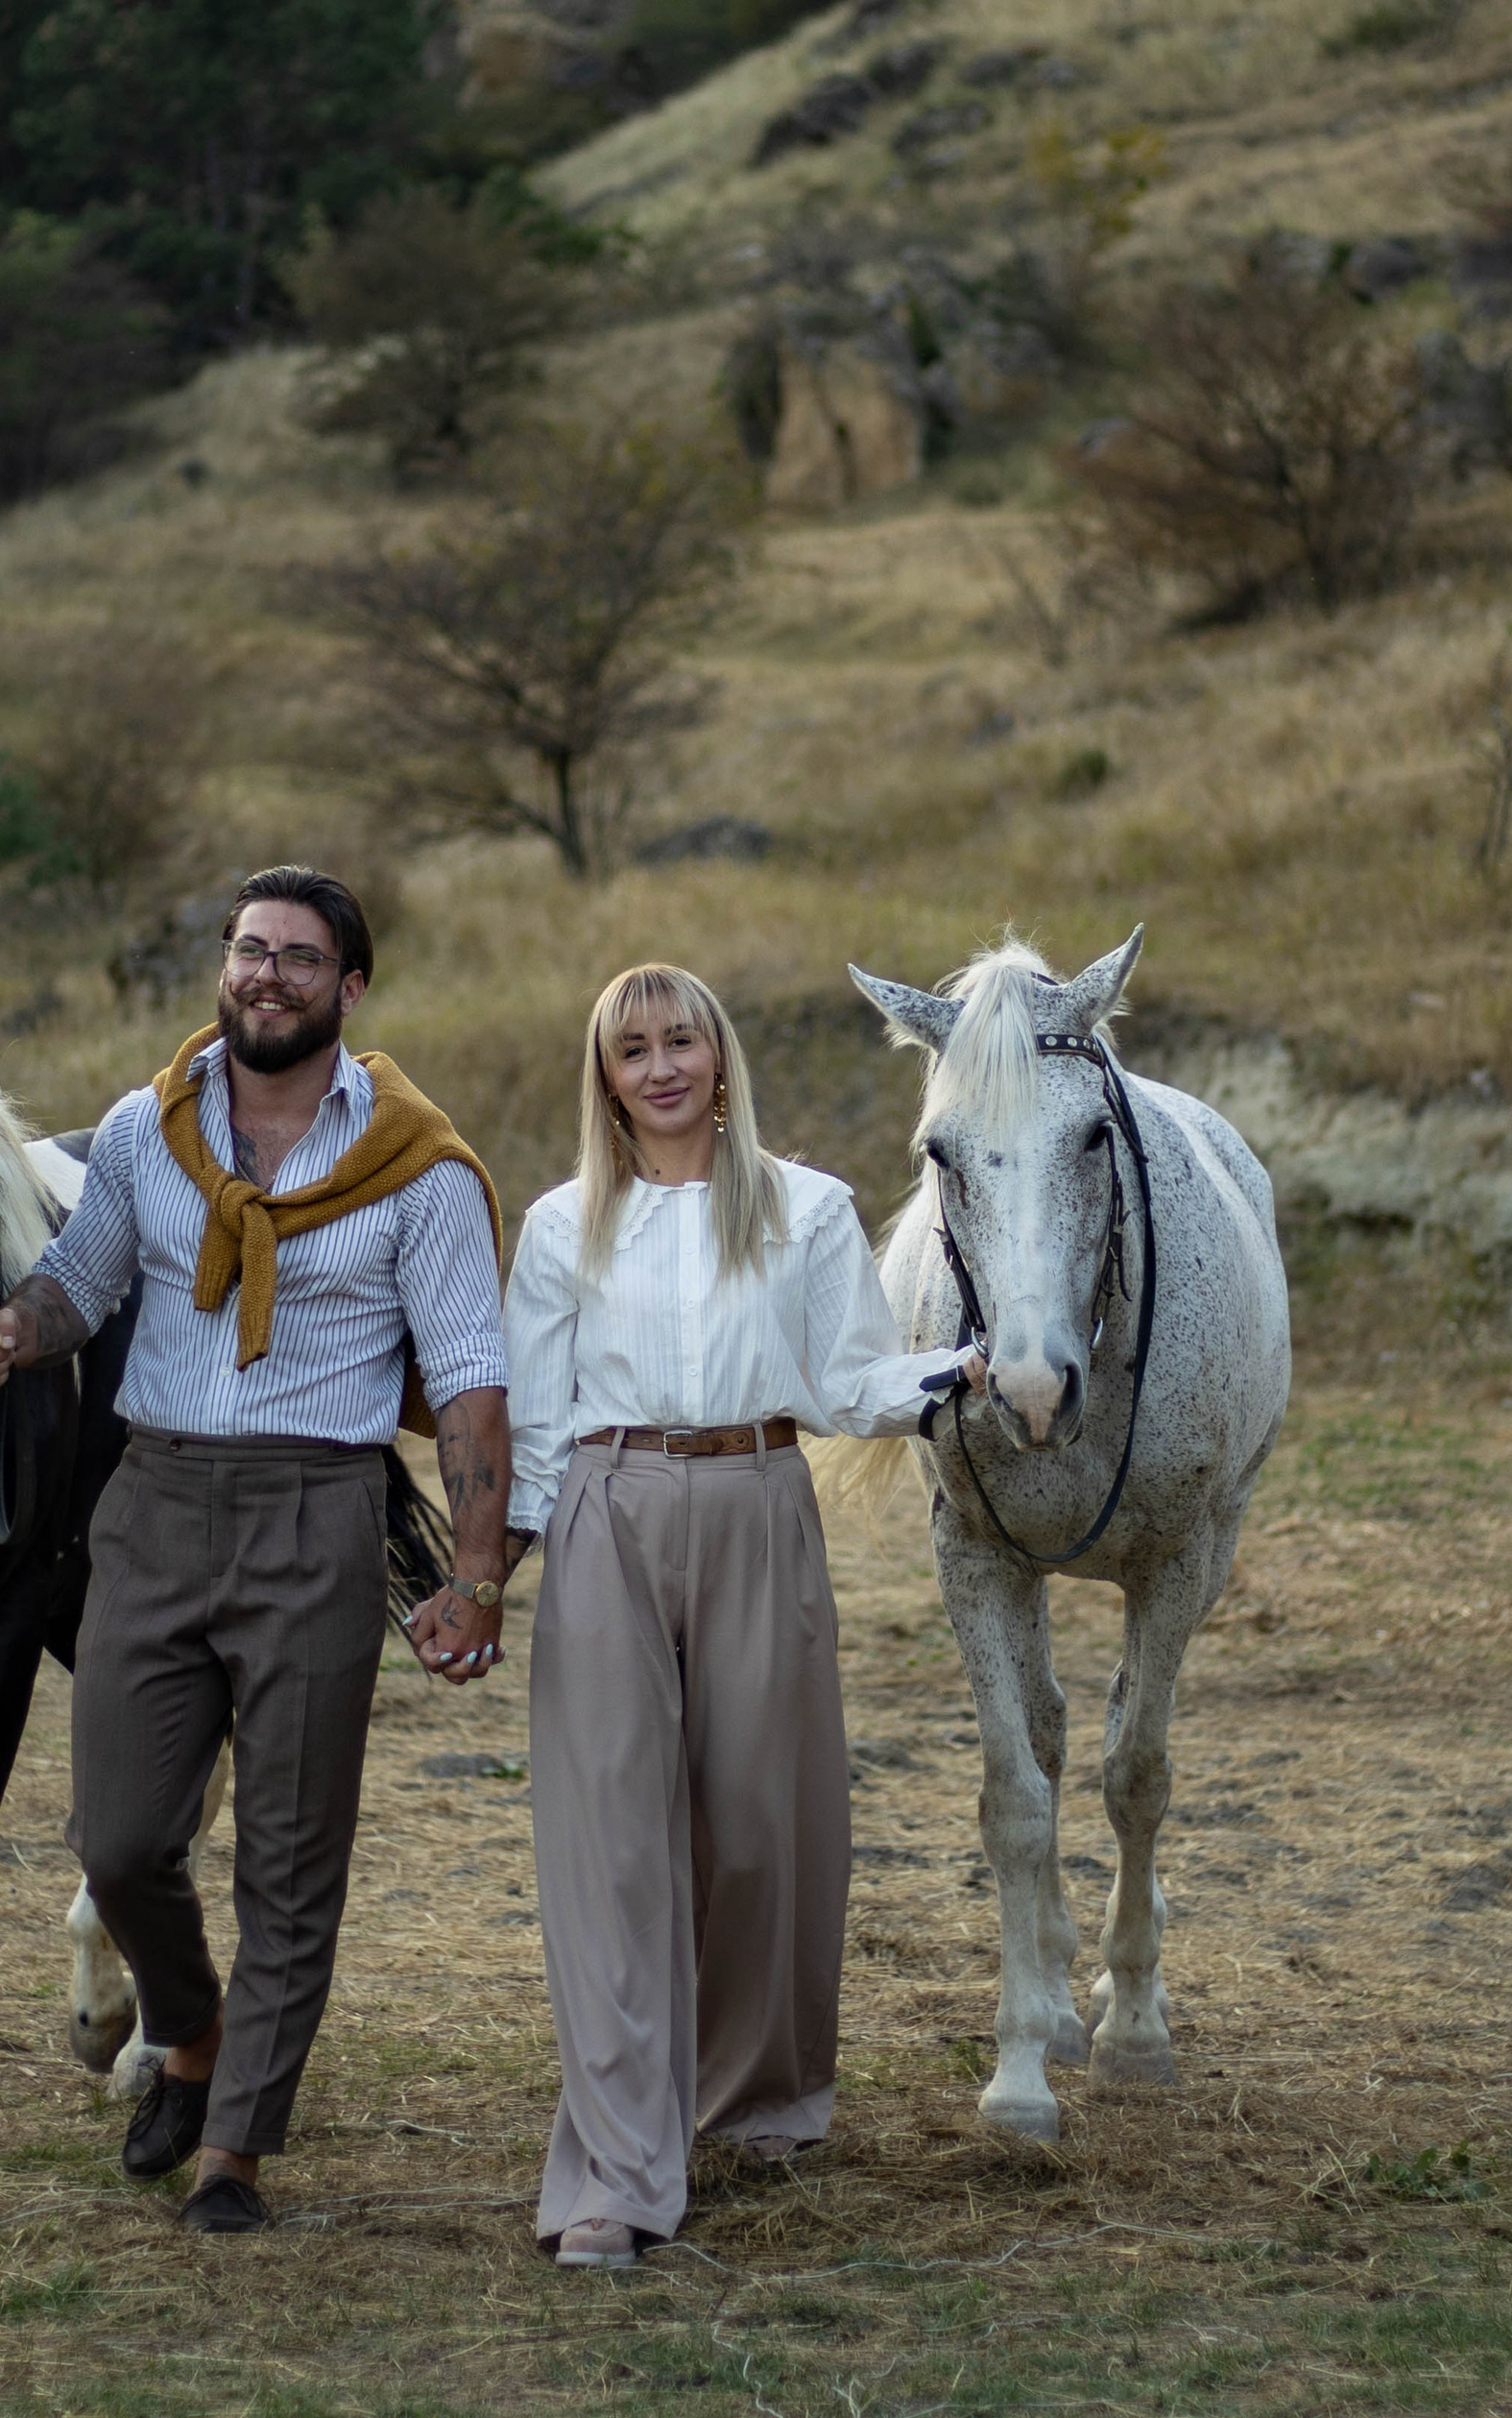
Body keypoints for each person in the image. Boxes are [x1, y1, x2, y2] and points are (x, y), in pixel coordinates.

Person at [0, 866, 515, 2237]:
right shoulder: (152, 1130)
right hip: (151, 1502)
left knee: (290, 1853)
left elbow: (472, 1375)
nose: (267, 975)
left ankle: (235, 2150)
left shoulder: (416, 1167)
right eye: (249, 950)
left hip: (318, 1513)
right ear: (224, 964)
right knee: (123, 1834)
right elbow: (88, 1276)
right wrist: (20, 1331)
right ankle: (191, 2031)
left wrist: (478, 1574)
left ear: (350, 987)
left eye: (300, 958)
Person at [502, 963, 981, 2269]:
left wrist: (964, 1366)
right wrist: (493, 1572)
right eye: (634, 1047)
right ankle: (618, 2167)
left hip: (762, 1494)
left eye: (683, 1040)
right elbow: (537, 1418)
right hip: (607, 1506)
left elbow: (847, 1379)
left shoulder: (810, 1210)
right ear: (605, 1074)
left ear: (722, 1059)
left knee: (765, 1827)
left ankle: (760, 2091)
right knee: (610, 1846)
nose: (661, 1065)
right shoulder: (560, 1226)